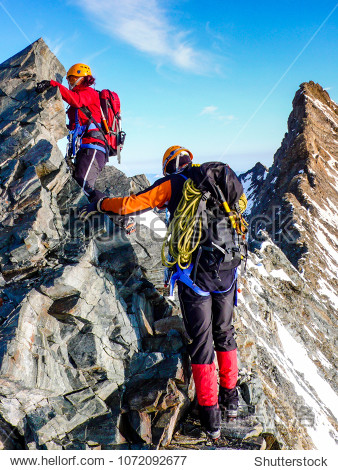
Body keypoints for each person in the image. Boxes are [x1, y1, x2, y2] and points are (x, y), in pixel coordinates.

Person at [79, 146, 246, 439]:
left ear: (168, 166)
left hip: (196, 274)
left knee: (202, 340)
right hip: (227, 267)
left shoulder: (174, 183)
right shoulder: (213, 183)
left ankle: (211, 417)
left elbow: (131, 204)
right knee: (225, 332)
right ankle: (231, 402)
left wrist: (101, 203)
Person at [36, 64, 135, 234]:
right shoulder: (77, 102)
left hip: (94, 148)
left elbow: (76, 100)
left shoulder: (87, 93)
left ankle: (124, 217)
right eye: (69, 79)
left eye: (73, 78)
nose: (70, 82)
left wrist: (54, 84)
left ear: (83, 77)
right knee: (78, 181)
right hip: (87, 148)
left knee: (83, 182)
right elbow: (73, 125)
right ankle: (92, 219)